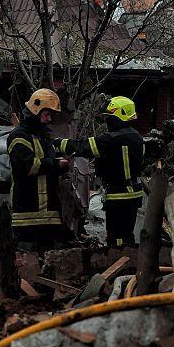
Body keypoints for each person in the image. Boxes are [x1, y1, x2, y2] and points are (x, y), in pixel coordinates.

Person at [57, 96, 145, 247]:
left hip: (119, 194)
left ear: (118, 117)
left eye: (108, 117)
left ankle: (118, 260)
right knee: (127, 232)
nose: (106, 121)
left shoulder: (111, 139)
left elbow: (83, 147)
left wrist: (58, 143)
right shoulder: (137, 137)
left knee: (116, 236)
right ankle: (130, 259)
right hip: (135, 193)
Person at [8, 88, 70, 249]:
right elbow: (27, 167)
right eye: (46, 115)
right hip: (26, 216)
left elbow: (49, 165)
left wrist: (63, 166)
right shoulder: (18, 136)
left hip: (50, 216)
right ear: (36, 110)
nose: (49, 119)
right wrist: (55, 164)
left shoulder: (44, 137)